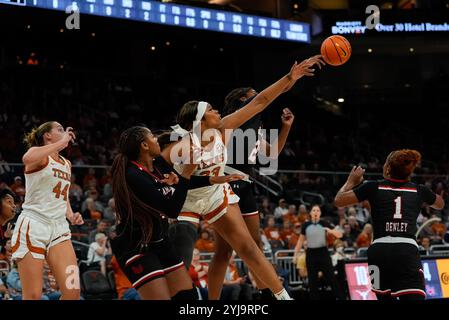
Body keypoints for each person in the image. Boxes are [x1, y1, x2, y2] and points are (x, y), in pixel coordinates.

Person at [165, 56, 325, 301]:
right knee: (189, 255)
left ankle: (279, 297)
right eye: (209, 110)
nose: (215, 110)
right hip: (192, 194)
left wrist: (291, 77)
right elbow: (157, 162)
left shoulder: (231, 126)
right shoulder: (185, 141)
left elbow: (262, 103)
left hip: (221, 191)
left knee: (250, 247)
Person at [334, 150, 445, 300]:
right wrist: (427, 194)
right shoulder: (419, 190)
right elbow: (440, 204)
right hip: (406, 251)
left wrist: (351, 181)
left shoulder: (372, 187)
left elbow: (339, 200)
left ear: (387, 169)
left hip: (378, 252)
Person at [109, 126, 199, 300]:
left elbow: (180, 147)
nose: (157, 138)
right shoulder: (133, 175)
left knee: (188, 298)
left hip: (160, 241)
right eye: (152, 136)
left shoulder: (156, 166)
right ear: (144, 145)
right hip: (136, 245)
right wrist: (186, 174)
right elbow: (172, 210)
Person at [10, 121, 84, 300]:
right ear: (47, 136)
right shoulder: (39, 155)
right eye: (59, 129)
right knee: (34, 295)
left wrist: (71, 215)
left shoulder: (66, 163)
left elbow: (62, 195)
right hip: (34, 224)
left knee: (72, 292)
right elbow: (26, 158)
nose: (65, 131)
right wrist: (62, 142)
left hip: (59, 227)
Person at [293, 205, 345, 300]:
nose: (316, 212)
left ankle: (341, 298)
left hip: (323, 253)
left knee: (332, 278)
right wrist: (295, 255)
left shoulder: (325, 223)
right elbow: (300, 241)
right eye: (314, 210)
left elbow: (340, 234)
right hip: (311, 254)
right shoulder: (305, 225)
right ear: (311, 213)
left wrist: (330, 230)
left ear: (320, 213)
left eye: (318, 210)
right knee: (313, 282)